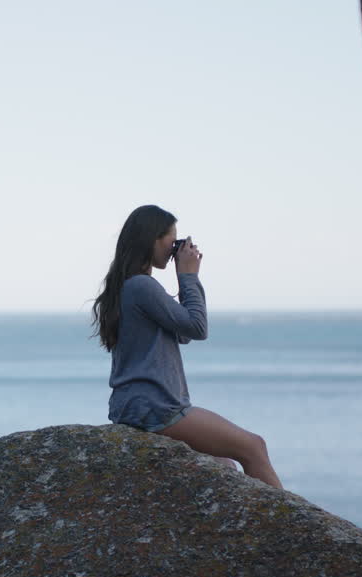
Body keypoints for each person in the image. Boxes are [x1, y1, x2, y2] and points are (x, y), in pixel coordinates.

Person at [92, 204, 284, 489]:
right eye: (171, 239)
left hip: (138, 405)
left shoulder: (130, 286)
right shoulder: (142, 287)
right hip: (156, 407)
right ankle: (282, 530)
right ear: (153, 240)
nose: (174, 247)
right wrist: (189, 276)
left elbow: (184, 333)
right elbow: (198, 327)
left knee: (224, 466)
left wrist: (185, 279)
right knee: (253, 446)